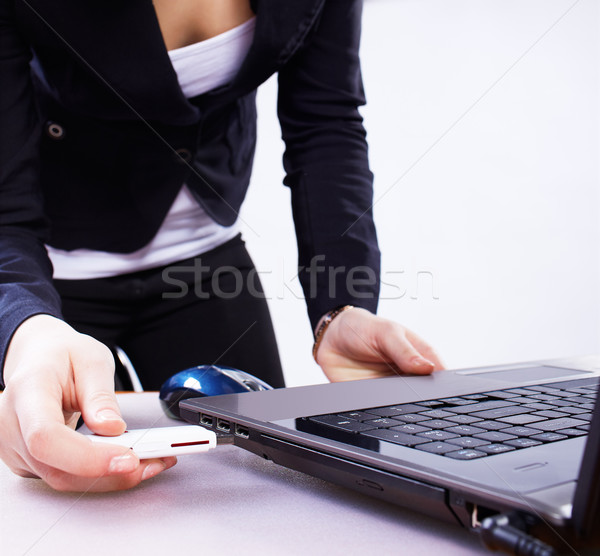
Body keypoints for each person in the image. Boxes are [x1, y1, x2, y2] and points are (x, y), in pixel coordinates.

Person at [0, 0, 442, 492]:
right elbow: (4, 203)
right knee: (73, 497)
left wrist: (340, 309)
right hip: (44, 279)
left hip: (208, 261)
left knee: (270, 487)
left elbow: (327, 124)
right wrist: (22, 328)